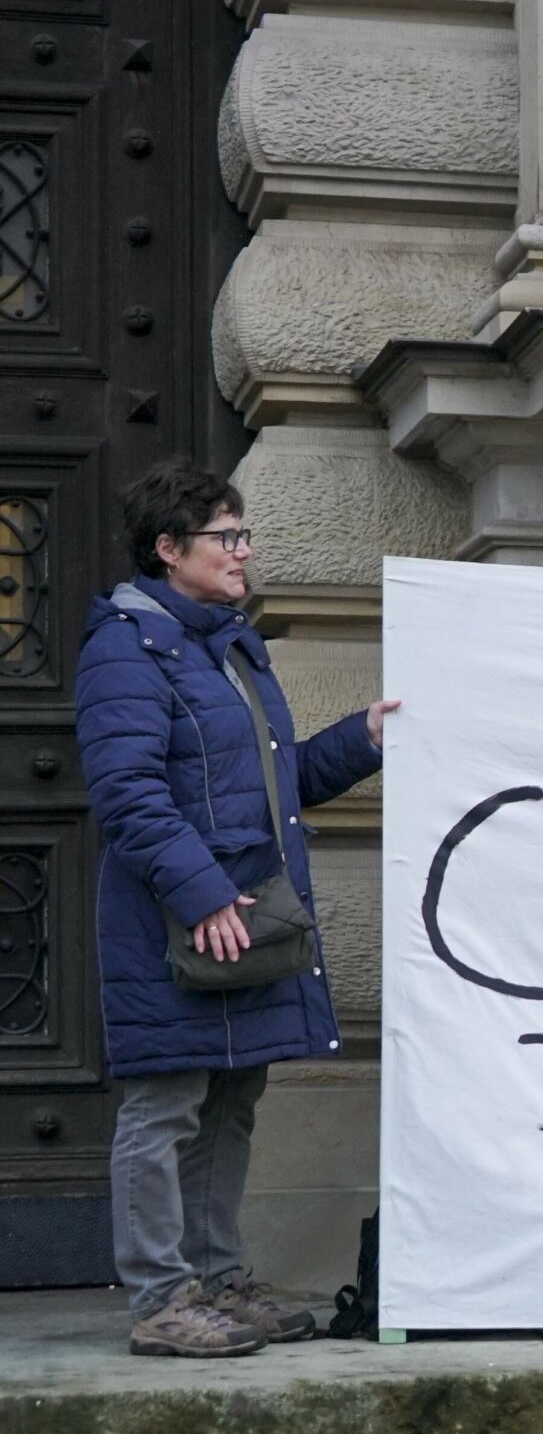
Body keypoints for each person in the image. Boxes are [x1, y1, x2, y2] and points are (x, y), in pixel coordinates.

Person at [76, 459, 399, 1358]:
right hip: (177, 924)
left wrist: (363, 738)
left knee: (230, 1099)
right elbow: (129, 791)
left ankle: (217, 1280)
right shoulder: (125, 648)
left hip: (244, 919)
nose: (243, 550)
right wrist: (205, 891)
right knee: (167, 1101)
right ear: (168, 549)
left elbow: (271, 780)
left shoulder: (225, 643)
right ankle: (158, 1300)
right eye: (226, 536)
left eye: (243, 533)